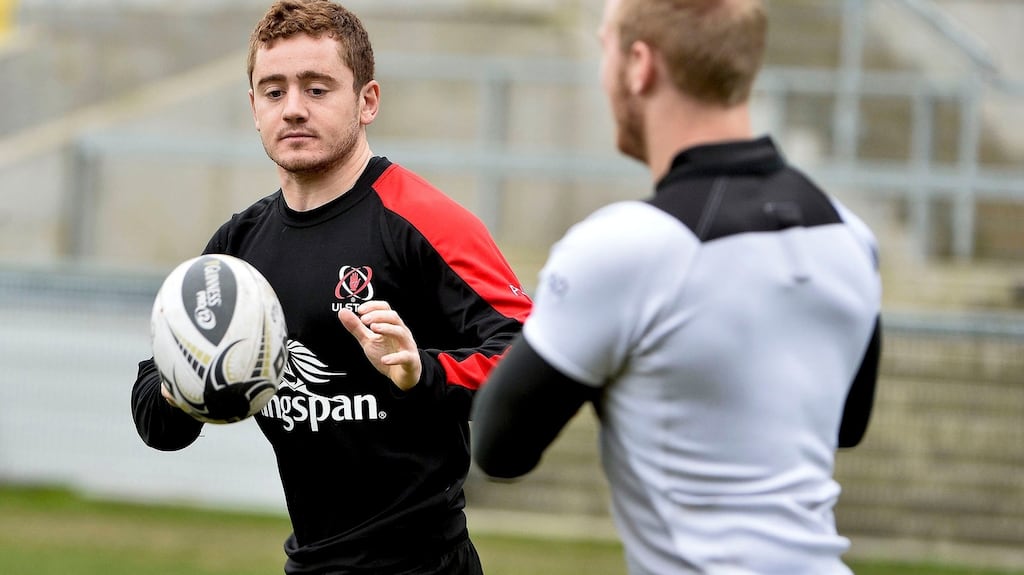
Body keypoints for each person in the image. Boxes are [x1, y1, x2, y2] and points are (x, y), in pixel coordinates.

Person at [470, 0, 882, 574]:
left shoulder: (626, 246)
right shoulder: (849, 232)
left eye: (604, 46)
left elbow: (499, 448)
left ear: (639, 65)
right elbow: (846, 424)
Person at [131, 1, 532, 573]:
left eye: (317, 89)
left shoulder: (426, 222)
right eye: (274, 92)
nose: (292, 108)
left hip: (424, 564)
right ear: (253, 107)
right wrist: (187, 380)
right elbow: (158, 424)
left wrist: (423, 373)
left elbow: (530, 355)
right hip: (312, 563)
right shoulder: (238, 249)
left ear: (367, 101)